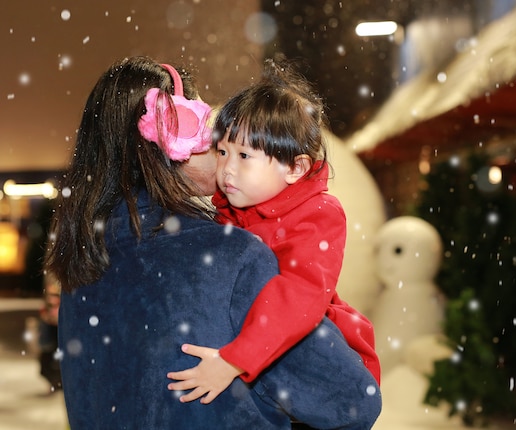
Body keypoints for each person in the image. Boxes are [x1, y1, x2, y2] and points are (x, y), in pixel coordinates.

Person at [44, 56, 381, 429]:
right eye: (210, 135)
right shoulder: (230, 257)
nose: (222, 155)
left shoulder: (83, 260)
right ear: (173, 144)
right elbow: (352, 403)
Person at [166, 57, 381, 405]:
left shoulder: (317, 214)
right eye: (222, 151)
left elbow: (299, 295)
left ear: (296, 168)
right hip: (261, 351)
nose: (227, 169)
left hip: (319, 358)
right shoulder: (232, 207)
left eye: (245, 156)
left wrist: (233, 361)